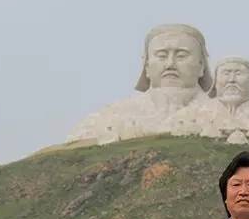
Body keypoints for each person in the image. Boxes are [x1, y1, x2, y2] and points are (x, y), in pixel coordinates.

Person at [66, 23, 213, 144]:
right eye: (161, 56)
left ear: (201, 66)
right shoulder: (112, 115)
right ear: (147, 66)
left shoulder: (219, 114)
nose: (170, 64)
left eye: (181, 55)